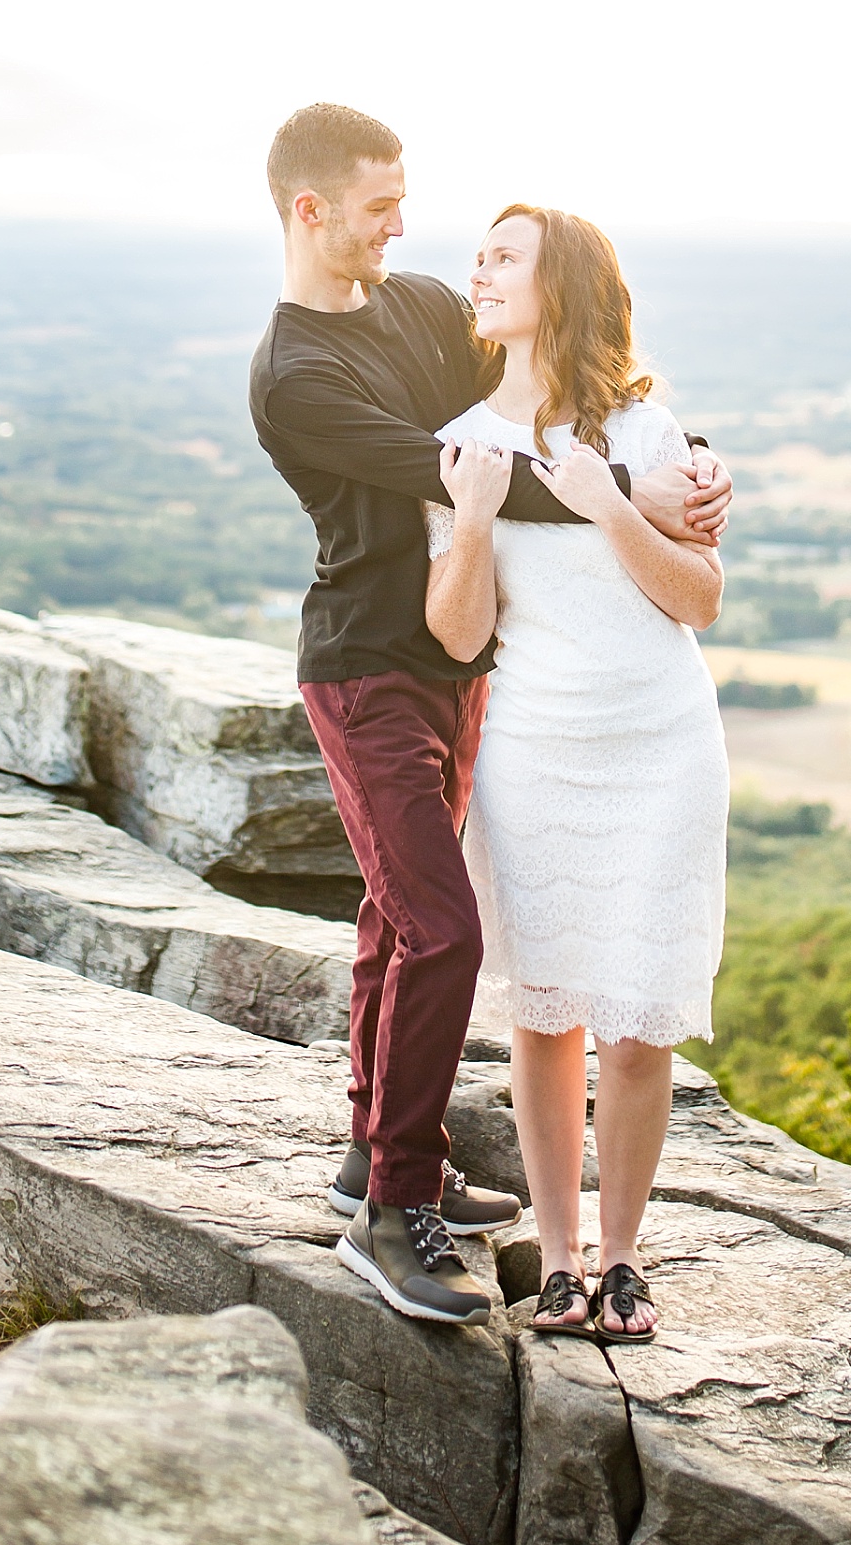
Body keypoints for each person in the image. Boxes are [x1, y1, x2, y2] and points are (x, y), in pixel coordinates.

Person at [249, 104, 731, 1327]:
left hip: (472, 679)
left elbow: (553, 385)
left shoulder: (416, 309)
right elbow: (479, 475)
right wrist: (647, 495)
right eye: (378, 205)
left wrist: (691, 458)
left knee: (391, 922)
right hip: (372, 665)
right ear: (312, 209)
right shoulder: (297, 375)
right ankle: (391, 1209)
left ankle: (377, 1151)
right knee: (444, 929)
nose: (406, 227)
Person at [423, 205, 728, 1341]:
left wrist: (605, 504)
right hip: (536, 750)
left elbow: (697, 597)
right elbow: (458, 637)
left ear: (563, 285)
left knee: (636, 1022)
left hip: (659, 743)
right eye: (483, 256)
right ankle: (557, 1260)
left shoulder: (643, 428)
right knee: (545, 1017)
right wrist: (468, 523)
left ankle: (625, 1256)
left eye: (506, 256)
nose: (481, 271)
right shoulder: (459, 439)